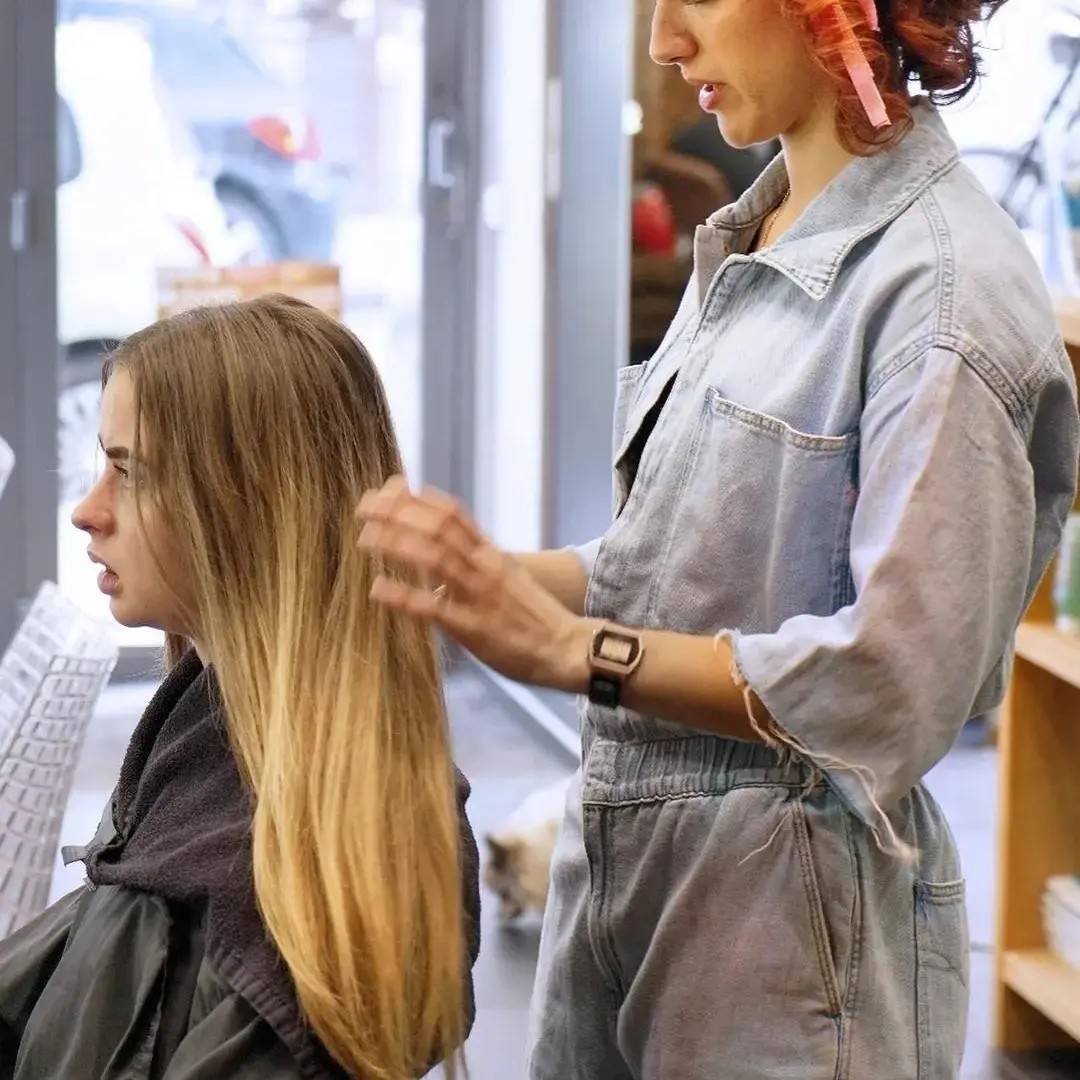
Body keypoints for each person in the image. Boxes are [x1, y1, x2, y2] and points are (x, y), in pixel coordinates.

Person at [356, 0, 1079, 1077]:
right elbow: (677, 571)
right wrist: (474, 580)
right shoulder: (762, 231)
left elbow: (891, 678)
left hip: (790, 934)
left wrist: (575, 652)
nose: (663, 42)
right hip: (634, 887)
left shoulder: (943, 299)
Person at [0, 296, 480, 1080]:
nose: (87, 511)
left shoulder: (300, 875)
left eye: (129, 472)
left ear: (251, 503)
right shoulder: (202, 763)